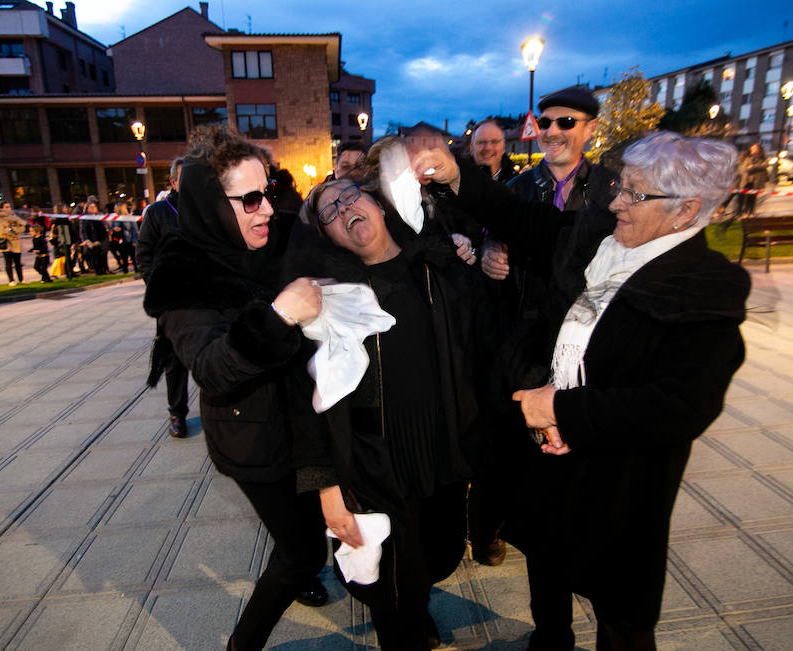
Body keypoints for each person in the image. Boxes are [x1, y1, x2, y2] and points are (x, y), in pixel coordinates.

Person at [415, 131, 751, 650]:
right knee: (546, 557)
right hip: (551, 454)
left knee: (621, 607)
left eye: (635, 195)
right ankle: (551, 639)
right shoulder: (603, 238)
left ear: (686, 210)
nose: (616, 201)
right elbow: (527, 222)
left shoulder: (704, 291)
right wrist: (458, 177)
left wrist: (561, 409)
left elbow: (681, 406)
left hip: (618, 478)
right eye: (621, 187)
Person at [142, 125, 329, 650]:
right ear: (209, 205)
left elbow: (362, 241)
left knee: (321, 532)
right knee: (302, 552)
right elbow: (212, 368)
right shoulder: (180, 275)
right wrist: (278, 316)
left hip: (313, 420)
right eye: (249, 199)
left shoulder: (285, 235)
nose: (266, 208)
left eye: (266, 192)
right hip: (255, 440)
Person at [289, 176, 487, 651]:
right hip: (375, 456)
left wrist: (476, 252)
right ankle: (401, 625)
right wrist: (328, 487)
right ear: (326, 235)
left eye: (350, 197)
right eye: (329, 212)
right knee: (395, 577)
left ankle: (413, 609)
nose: (343, 210)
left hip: (442, 446)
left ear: (377, 203)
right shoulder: (328, 299)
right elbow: (307, 401)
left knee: (438, 553)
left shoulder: (437, 265)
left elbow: (484, 343)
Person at [472, 86, 617, 567]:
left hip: (585, 332)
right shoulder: (517, 188)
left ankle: (559, 527)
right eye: (546, 122)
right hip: (523, 332)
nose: (552, 131)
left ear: (590, 128)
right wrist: (489, 251)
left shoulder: (612, 191)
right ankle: (489, 527)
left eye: (566, 122)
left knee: (569, 436)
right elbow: (491, 239)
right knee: (506, 436)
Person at [138, 158, 190, 438]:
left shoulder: (207, 209)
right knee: (174, 359)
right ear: (173, 182)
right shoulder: (158, 212)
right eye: (185, 178)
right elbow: (144, 256)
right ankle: (177, 413)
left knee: (210, 354)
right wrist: (158, 287)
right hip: (171, 302)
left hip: (204, 298)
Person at [469, 119, 516, 183]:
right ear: (471, 147)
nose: (488, 148)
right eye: (481, 142)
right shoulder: (457, 184)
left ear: (503, 146)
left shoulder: (518, 184)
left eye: (494, 142)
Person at [0, 200, 26, 286]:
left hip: (16, 242)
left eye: (9, 207)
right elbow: (1, 230)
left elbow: (22, 227)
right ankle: (11, 280)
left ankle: (21, 279)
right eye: (6, 207)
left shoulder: (14, 217)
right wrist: (13, 229)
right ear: (1, 209)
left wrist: (13, 229)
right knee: (8, 262)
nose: (9, 209)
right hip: (6, 243)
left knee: (18, 262)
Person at [738, 143, 767, 216]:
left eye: (756, 148)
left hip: (757, 181)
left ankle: (751, 212)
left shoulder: (762, 158)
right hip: (747, 180)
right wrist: (758, 167)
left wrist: (753, 167)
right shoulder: (747, 157)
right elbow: (745, 168)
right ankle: (742, 212)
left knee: (753, 197)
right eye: (753, 148)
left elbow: (764, 166)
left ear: (759, 150)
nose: (754, 150)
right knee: (744, 197)